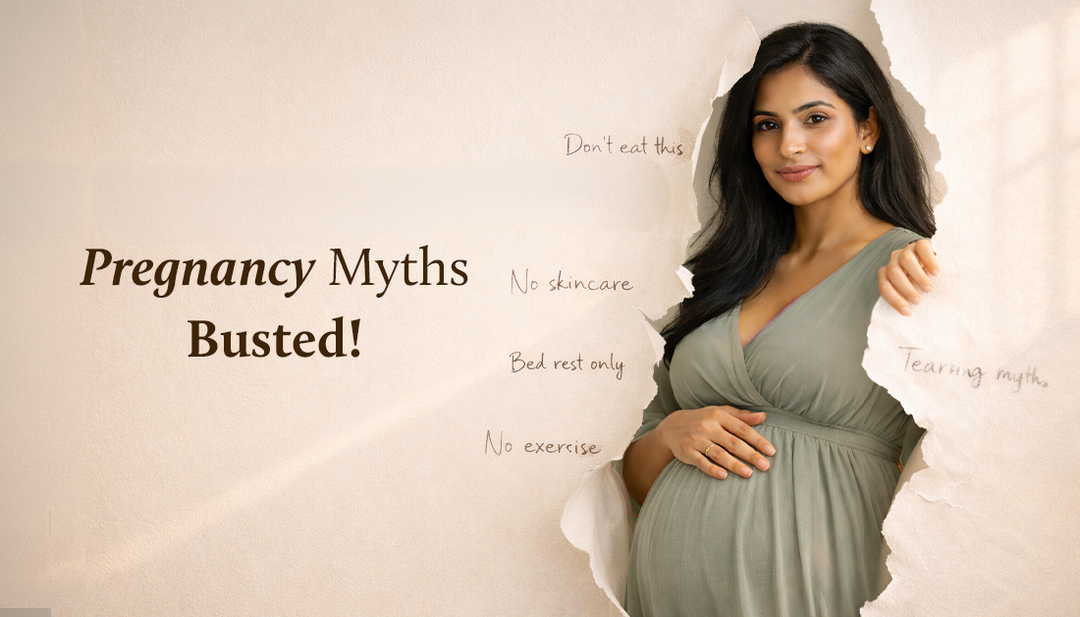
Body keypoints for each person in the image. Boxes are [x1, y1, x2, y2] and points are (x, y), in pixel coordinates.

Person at [621, 22, 939, 617]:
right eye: (767, 125)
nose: (789, 145)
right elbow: (635, 479)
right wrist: (671, 435)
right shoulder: (715, 275)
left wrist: (954, 286)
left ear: (868, 129)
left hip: (823, 583)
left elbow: (957, 465)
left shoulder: (917, 271)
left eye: (815, 118)